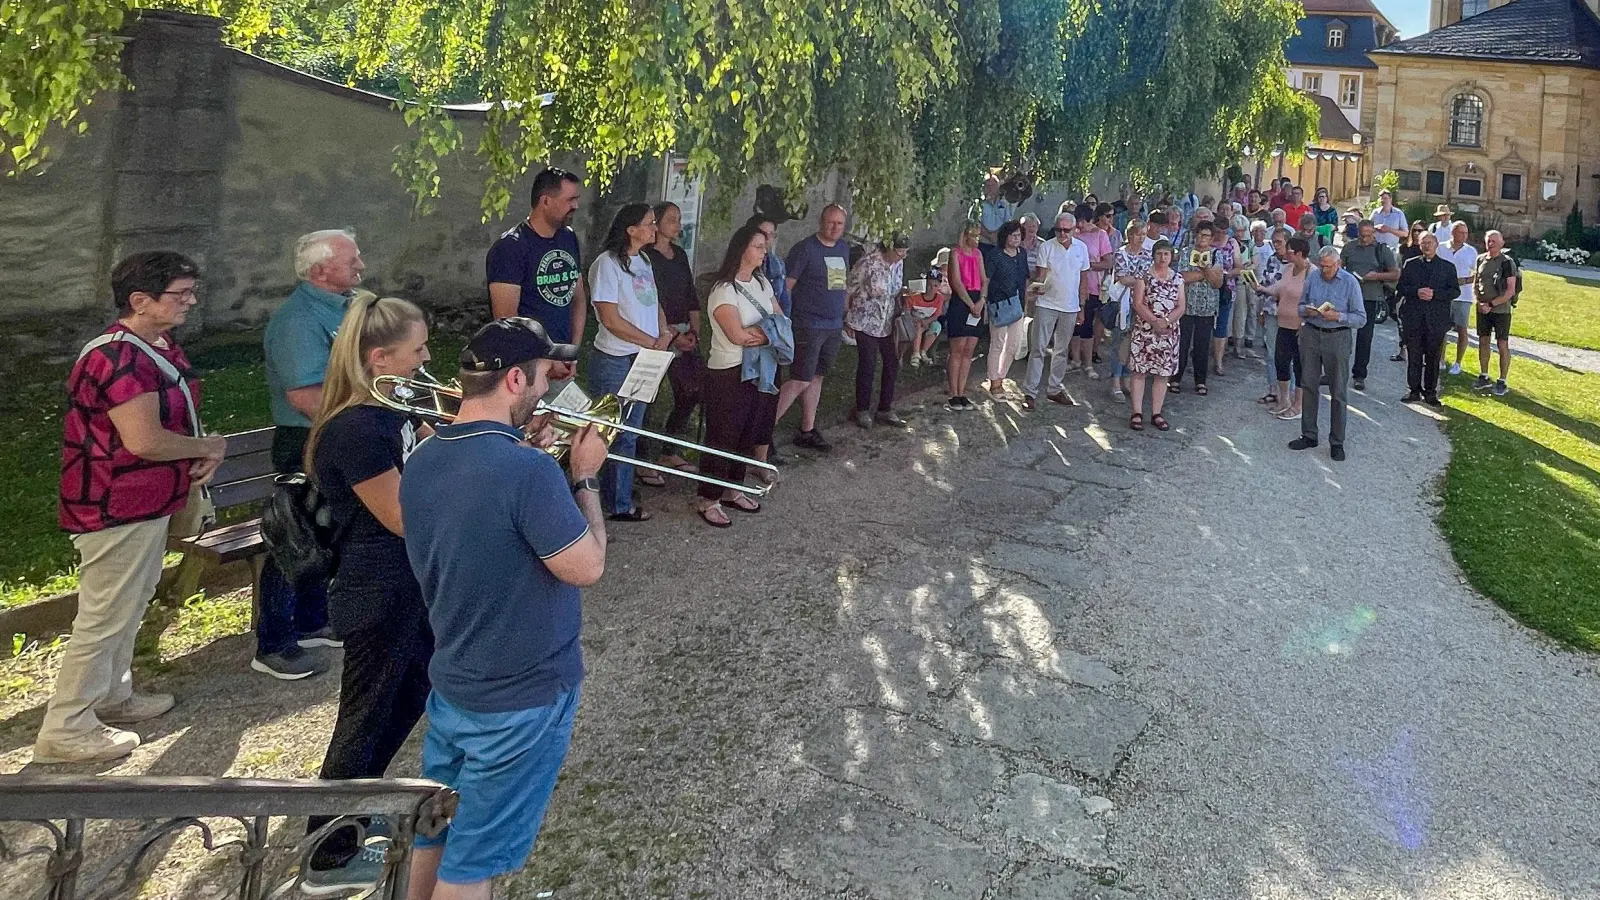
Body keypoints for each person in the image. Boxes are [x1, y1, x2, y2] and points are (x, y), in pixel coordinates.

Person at [400, 318, 609, 900]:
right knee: (475, 862)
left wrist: (528, 457)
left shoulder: (423, 456)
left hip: (455, 682)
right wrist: (584, 478)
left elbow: (481, 524)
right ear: (516, 379)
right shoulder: (530, 471)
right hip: (522, 695)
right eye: (543, 378)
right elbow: (587, 566)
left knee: (435, 830)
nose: (546, 391)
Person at [36, 252, 226, 764]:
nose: (190, 301)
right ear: (139, 301)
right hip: (114, 504)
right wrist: (209, 447)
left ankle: (112, 697)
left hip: (140, 501)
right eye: (179, 294)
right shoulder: (119, 357)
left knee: (130, 602)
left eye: (191, 292)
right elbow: (144, 440)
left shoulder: (151, 347)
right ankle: (67, 728)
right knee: (105, 615)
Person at [298, 296, 434, 893]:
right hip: (378, 592)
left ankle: (352, 811)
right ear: (380, 357)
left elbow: (440, 453)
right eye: (417, 351)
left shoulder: (394, 408)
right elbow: (404, 515)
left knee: (405, 703)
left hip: (411, 585)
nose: (427, 360)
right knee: (362, 720)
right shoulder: (356, 428)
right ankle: (324, 857)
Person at [259, 229, 364, 680]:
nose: (360, 266)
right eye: (352, 260)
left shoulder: (345, 307)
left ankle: (312, 621)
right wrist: (370, 404)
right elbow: (305, 397)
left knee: (327, 532)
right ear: (320, 270)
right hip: (305, 440)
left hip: (332, 435)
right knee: (294, 539)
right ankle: (274, 643)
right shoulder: (298, 321)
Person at [586, 203, 673, 521]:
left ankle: (618, 493)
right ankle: (614, 501)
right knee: (613, 431)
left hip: (643, 356)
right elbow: (610, 318)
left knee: (630, 431)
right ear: (631, 230)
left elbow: (654, 302)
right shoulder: (606, 264)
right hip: (616, 359)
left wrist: (663, 331)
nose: (655, 228)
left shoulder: (644, 259)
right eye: (650, 223)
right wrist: (650, 341)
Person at [699, 225, 785, 526]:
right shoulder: (724, 290)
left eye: (765, 246)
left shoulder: (762, 283)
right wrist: (768, 335)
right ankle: (708, 497)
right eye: (758, 246)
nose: (764, 251)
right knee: (723, 435)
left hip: (759, 369)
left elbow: (781, 319)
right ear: (742, 250)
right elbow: (737, 335)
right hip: (728, 371)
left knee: (747, 433)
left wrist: (763, 333)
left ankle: (733, 488)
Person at [487, 168, 589, 349]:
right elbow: (507, 321)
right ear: (546, 201)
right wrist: (544, 359)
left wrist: (571, 350)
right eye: (570, 200)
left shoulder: (568, 237)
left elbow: (578, 298)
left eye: (577, 199)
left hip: (563, 356)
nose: (576, 206)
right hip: (527, 363)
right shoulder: (511, 247)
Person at [777, 204, 851, 451]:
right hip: (808, 323)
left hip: (833, 324)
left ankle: (807, 430)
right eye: (831, 222)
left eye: (840, 223)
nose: (834, 227)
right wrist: (783, 319)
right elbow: (786, 286)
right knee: (800, 378)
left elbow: (841, 284)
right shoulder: (805, 249)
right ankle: (761, 431)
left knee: (817, 376)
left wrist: (845, 312)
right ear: (821, 221)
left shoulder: (843, 249)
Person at [641, 201, 703, 477]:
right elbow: (652, 299)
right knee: (648, 398)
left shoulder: (678, 255)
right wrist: (673, 335)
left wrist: (694, 330)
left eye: (679, 219)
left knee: (691, 391)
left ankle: (670, 450)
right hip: (658, 332)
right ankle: (641, 460)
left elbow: (690, 293)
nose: (678, 225)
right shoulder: (645, 258)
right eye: (672, 220)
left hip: (683, 330)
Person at [1289, 247, 1366, 461]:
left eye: (1328, 266)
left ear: (1338, 264)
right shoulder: (1313, 277)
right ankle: (1309, 434)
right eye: (1322, 265)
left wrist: (1338, 316)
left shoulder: (1350, 282)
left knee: (1338, 390)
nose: (1324, 270)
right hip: (1312, 334)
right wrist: (1309, 310)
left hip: (1338, 337)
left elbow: (1361, 318)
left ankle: (1337, 441)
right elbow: (1300, 307)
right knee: (1309, 384)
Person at [1023, 211, 1091, 409]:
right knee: (1038, 349)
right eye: (1059, 229)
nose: (1062, 233)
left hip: (1070, 306)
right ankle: (1030, 392)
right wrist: (1037, 287)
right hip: (1047, 304)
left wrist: (1082, 306)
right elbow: (1041, 275)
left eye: (1066, 230)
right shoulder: (1046, 247)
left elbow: (1083, 279)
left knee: (1061, 350)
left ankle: (1054, 388)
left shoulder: (1082, 248)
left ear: (1073, 230)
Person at [846, 234, 911, 426]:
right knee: (868, 363)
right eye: (900, 251)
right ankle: (862, 409)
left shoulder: (898, 264)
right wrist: (845, 317)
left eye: (905, 252)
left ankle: (885, 408)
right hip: (864, 319)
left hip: (887, 321)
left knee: (891, 362)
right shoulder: (869, 262)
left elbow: (895, 288)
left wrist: (905, 294)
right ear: (889, 248)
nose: (903, 256)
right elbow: (849, 287)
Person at [1396, 232, 1461, 406]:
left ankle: (1430, 393)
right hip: (1414, 318)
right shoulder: (1411, 265)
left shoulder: (1447, 267)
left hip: (1436, 320)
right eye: (1423, 243)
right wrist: (1416, 292)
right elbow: (1401, 287)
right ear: (1419, 245)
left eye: (1429, 242)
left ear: (1436, 244)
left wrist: (1435, 294)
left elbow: (1455, 291)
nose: (1426, 246)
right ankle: (1413, 390)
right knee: (1414, 356)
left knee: (1432, 358)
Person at [1128, 239, 1185, 431]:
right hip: (1145, 331)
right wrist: (1154, 321)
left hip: (1168, 332)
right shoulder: (1143, 276)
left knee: (1162, 375)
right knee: (1139, 372)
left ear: (1171, 257)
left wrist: (1166, 322)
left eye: (1166, 254)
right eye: (1159, 253)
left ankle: (1156, 413)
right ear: (1153, 255)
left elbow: (1181, 306)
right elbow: (1138, 303)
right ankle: (1136, 413)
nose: (1163, 258)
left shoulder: (1178, 278)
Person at [1256, 236, 1311, 421]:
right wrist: (1261, 288)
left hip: (1300, 327)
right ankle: (1284, 399)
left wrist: (1305, 322)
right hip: (1284, 324)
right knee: (1281, 361)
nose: (1286, 254)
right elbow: (1278, 289)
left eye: (1289, 251)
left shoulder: (1312, 273)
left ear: (1299, 253)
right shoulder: (1288, 268)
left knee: (1300, 365)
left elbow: (1315, 300)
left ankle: (1298, 405)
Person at [1342, 220, 1399, 392]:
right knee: (1339, 335)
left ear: (1373, 233)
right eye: (1362, 234)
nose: (1365, 238)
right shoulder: (1349, 248)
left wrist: (1376, 276)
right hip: (1347, 297)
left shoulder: (1382, 250)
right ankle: (1334, 371)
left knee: (1364, 338)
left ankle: (1359, 375)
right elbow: (1338, 267)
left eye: (1368, 235)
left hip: (1370, 297)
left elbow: (1395, 273)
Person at [983, 221, 1033, 398]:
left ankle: (1001, 378)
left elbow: (1025, 280)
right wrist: (984, 302)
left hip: (1017, 304)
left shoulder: (1022, 254)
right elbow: (987, 280)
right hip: (998, 304)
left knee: (1013, 345)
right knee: (997, 343)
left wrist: (1026, 304)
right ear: (1005, 237)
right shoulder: (994, 255)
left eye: (1019, 235)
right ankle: (994, 382)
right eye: (1013, 235)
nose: (1016, 239)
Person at [1173, 221, 1223, 395]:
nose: (1203, 238)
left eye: (1207, 235)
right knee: (1182, 344)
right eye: (1200, 234)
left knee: (1202, 345)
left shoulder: (1216, 254)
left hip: (1207, 307)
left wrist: (1204, 270)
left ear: (1211, 238)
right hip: (1186, 306)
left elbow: (1218, 282)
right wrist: (1206, 274)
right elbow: (1182, 277)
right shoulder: (1186, 252)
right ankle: (1175, 378)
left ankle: (1200, 381)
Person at [944, 222, 989, 410]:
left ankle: (962, 392)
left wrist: (982, 300)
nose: (977, 239)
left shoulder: (978, 254)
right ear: (966, 235)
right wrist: (971, 304)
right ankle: (953, 392)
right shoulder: (955, 253)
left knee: (970, 349)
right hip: (962, 302)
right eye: (974, 235)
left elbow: (984, 279)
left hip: (977, 299)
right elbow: (956, 281)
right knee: (958, 348)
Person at [1108, 219, 1153, 402]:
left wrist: (1139, 281)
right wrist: (1140, 281)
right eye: (1138, 234)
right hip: (1123, 304)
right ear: (1130, 235)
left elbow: (1149, 276)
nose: (1141, 238)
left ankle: (1127, 376)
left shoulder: (1148, 254)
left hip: (1141, 302)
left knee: (1134, 342)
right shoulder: (1120, 254)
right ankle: (1115, 381)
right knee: (1119, 342)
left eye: (1143, 234)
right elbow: (1122, 278)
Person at [1472, 230, 1520, 396]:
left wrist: (1491, 304)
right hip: (1483, 308)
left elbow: (1510, 291)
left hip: (1501, 310)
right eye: (1488, 241)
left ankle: (1502, 380)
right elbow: (1476, 282)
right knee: (1483, 341)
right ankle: (1484, 375)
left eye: (1493, 241)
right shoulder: (1480, 259)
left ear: (1501, 243)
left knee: (1502, 344)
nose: (1490, 244)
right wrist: (1479, 301)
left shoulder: (1507, 263)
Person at [1072, 204, 1114, 377]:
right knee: (1074, 325)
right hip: (1073, 285)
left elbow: (1109, 262)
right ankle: (1075, 360)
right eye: (1077, 221)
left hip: (1092, 287)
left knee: (1087, 325)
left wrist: (1089, 266)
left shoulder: (1100, 235)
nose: (1079, 225)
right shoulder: (1073, 235)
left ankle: (1088, 364)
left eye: (1082, 221)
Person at [1256, 228, 1293, 407]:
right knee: (1271, 352)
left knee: (1288, 354)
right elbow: (1266, 282)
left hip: (1290, 314)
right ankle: (1273, 389)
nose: (1275, 245)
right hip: (1271, 311)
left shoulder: (1295, 263)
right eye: (1274, 242)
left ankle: (1289, 392)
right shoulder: (1271, 259)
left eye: (1279, 242)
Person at [1439, 221, 1478, 375]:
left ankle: (1458, 362)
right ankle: (1441, 359)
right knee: (1441, 328)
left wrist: (1464, 280)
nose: (1464, 236)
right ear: (1453, 233)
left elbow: (1477, 274)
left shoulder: (1471, 251)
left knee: (1462, 329)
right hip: (1444, 295)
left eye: (1466, 233)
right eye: (1461, 232)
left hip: (1464, 295)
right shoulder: (1441, 248)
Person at [1209, 218, 1242, 376]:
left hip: (1226, 288)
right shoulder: (1207, 241)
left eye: (1224, 232)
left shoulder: (1232, 243)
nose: (1221, 235)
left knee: (1221, 325)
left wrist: (1226, 275)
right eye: (1218, 232)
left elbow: (1239, 267)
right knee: (1203, 324)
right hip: (1206, 288)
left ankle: (1218, 361)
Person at [979, 175, 1013, 244]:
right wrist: (989, 235)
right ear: (984, 188)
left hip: (999, 241)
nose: (991, 189)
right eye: (988, 186)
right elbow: (976, 223)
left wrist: (998, 235)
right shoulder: (979, 203)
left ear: (998, 187)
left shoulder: (1004, 203)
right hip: (982, 242)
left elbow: (1007, 222)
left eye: (993, 186)